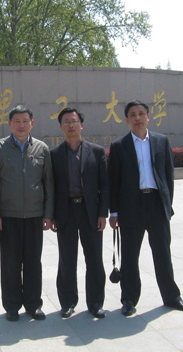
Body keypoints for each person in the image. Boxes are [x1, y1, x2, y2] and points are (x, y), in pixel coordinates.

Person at [108, 100, 183, 316]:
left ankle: (172, 297)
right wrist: (114, 212)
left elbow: (168, 176)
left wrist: (167, 204)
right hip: (131, 206)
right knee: (129, 256)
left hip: (156, 204)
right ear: (127, 119)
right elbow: (113, 182)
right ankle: (129, 299)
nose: (138, 118)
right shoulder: (119, 146)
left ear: (148, 116)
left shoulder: (161, 141)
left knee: (163, 253)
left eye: (141, 113)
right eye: (133, 115)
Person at [0, 104, 55, 322]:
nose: (21, 125)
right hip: (8, 216)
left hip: (35, 215)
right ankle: (12, 305)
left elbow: (48, 184)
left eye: (25, 121)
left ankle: (33, 305)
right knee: (10, 263)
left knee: (34, 262)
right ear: (9, 124)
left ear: (32, 123)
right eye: (16, 121)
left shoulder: (42, 149)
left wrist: (48, 214)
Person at [50, 107, 109, 319]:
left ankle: (95, 302)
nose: (71, 125)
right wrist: (52, 215)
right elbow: (51, 187)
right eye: (66, 121)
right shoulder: (54, 154)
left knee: (94, 258)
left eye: (74, 121)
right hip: (65, 211)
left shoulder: (97, 151)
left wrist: (103, 213)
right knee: (67, 259)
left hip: (90, 211)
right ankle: (67, 302)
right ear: (61, 127)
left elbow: (105, 185)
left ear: (81, 125)